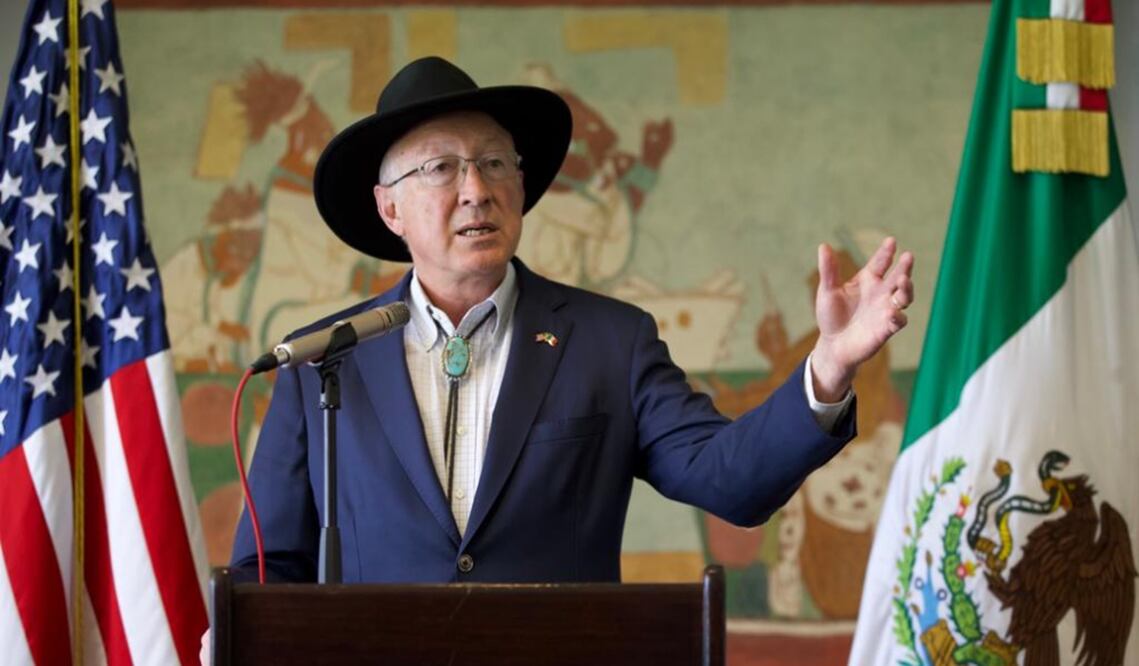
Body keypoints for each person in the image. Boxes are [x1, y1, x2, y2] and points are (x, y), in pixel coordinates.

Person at [229, 56, 915, 584]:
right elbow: (271, 562)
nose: (476, 190)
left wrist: (829, 365)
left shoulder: (609, 342)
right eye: (441, 168)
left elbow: (729, 481)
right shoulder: (322, 360)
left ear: (521, 188)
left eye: (494, 163)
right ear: (389, 210)